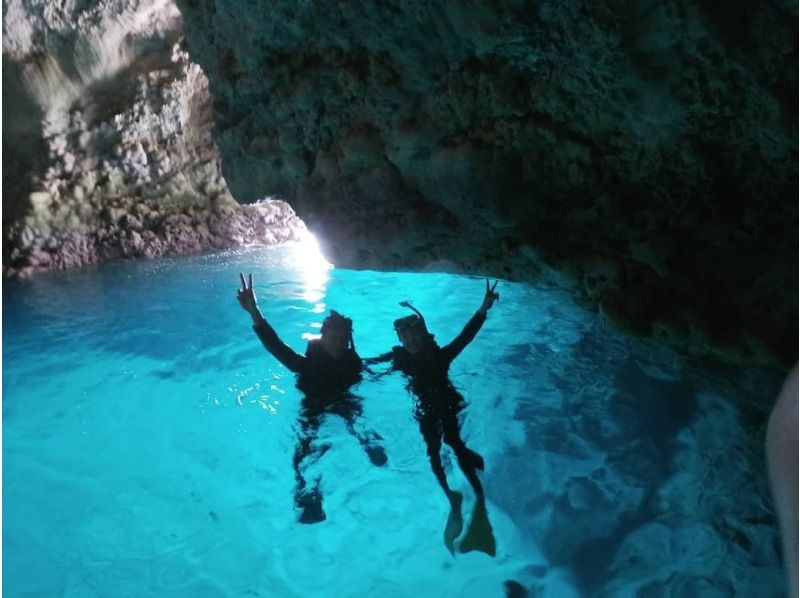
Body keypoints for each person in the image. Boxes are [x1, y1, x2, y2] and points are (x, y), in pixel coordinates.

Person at [237, 272, 387, 524]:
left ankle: (368, 442)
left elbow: (374, 366)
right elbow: (275, 345)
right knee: (308, 448)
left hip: (344, 403)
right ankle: (310, 497)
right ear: (323, 337)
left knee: (357, 419)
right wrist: (254, 311)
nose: (338, 343)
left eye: (342, 339)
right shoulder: (306, 365)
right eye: (333, 338)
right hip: (314, 409)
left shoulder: (352, 363)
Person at [367, 279, 500, 555]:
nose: (410, 341)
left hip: (449, 404)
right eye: (405, 338)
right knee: (433, 452)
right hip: (425, 411)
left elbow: (465, 337)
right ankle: (453, 499)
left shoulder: (440, 357)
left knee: (453, 442)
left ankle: (480, 502)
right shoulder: (398, 358)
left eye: (414, 335)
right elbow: (368, 365)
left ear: (424, 335)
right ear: (400, 341)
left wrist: (482, 309)